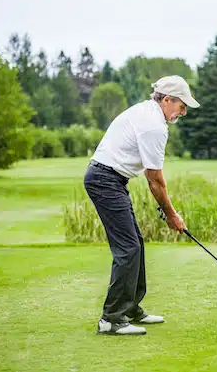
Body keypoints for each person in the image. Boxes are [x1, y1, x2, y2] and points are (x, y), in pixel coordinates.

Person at [83, 75, 200, 336]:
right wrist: (171, 215)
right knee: (128, 247)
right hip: (105, 180)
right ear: (167, 99)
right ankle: (111, 319)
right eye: (181, 106)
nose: (183, 111)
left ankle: (130, 307)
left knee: (135, 242)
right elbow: (155, 179)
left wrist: (167, 211)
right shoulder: (154, 126)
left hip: (111, 179)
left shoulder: (147, 113)